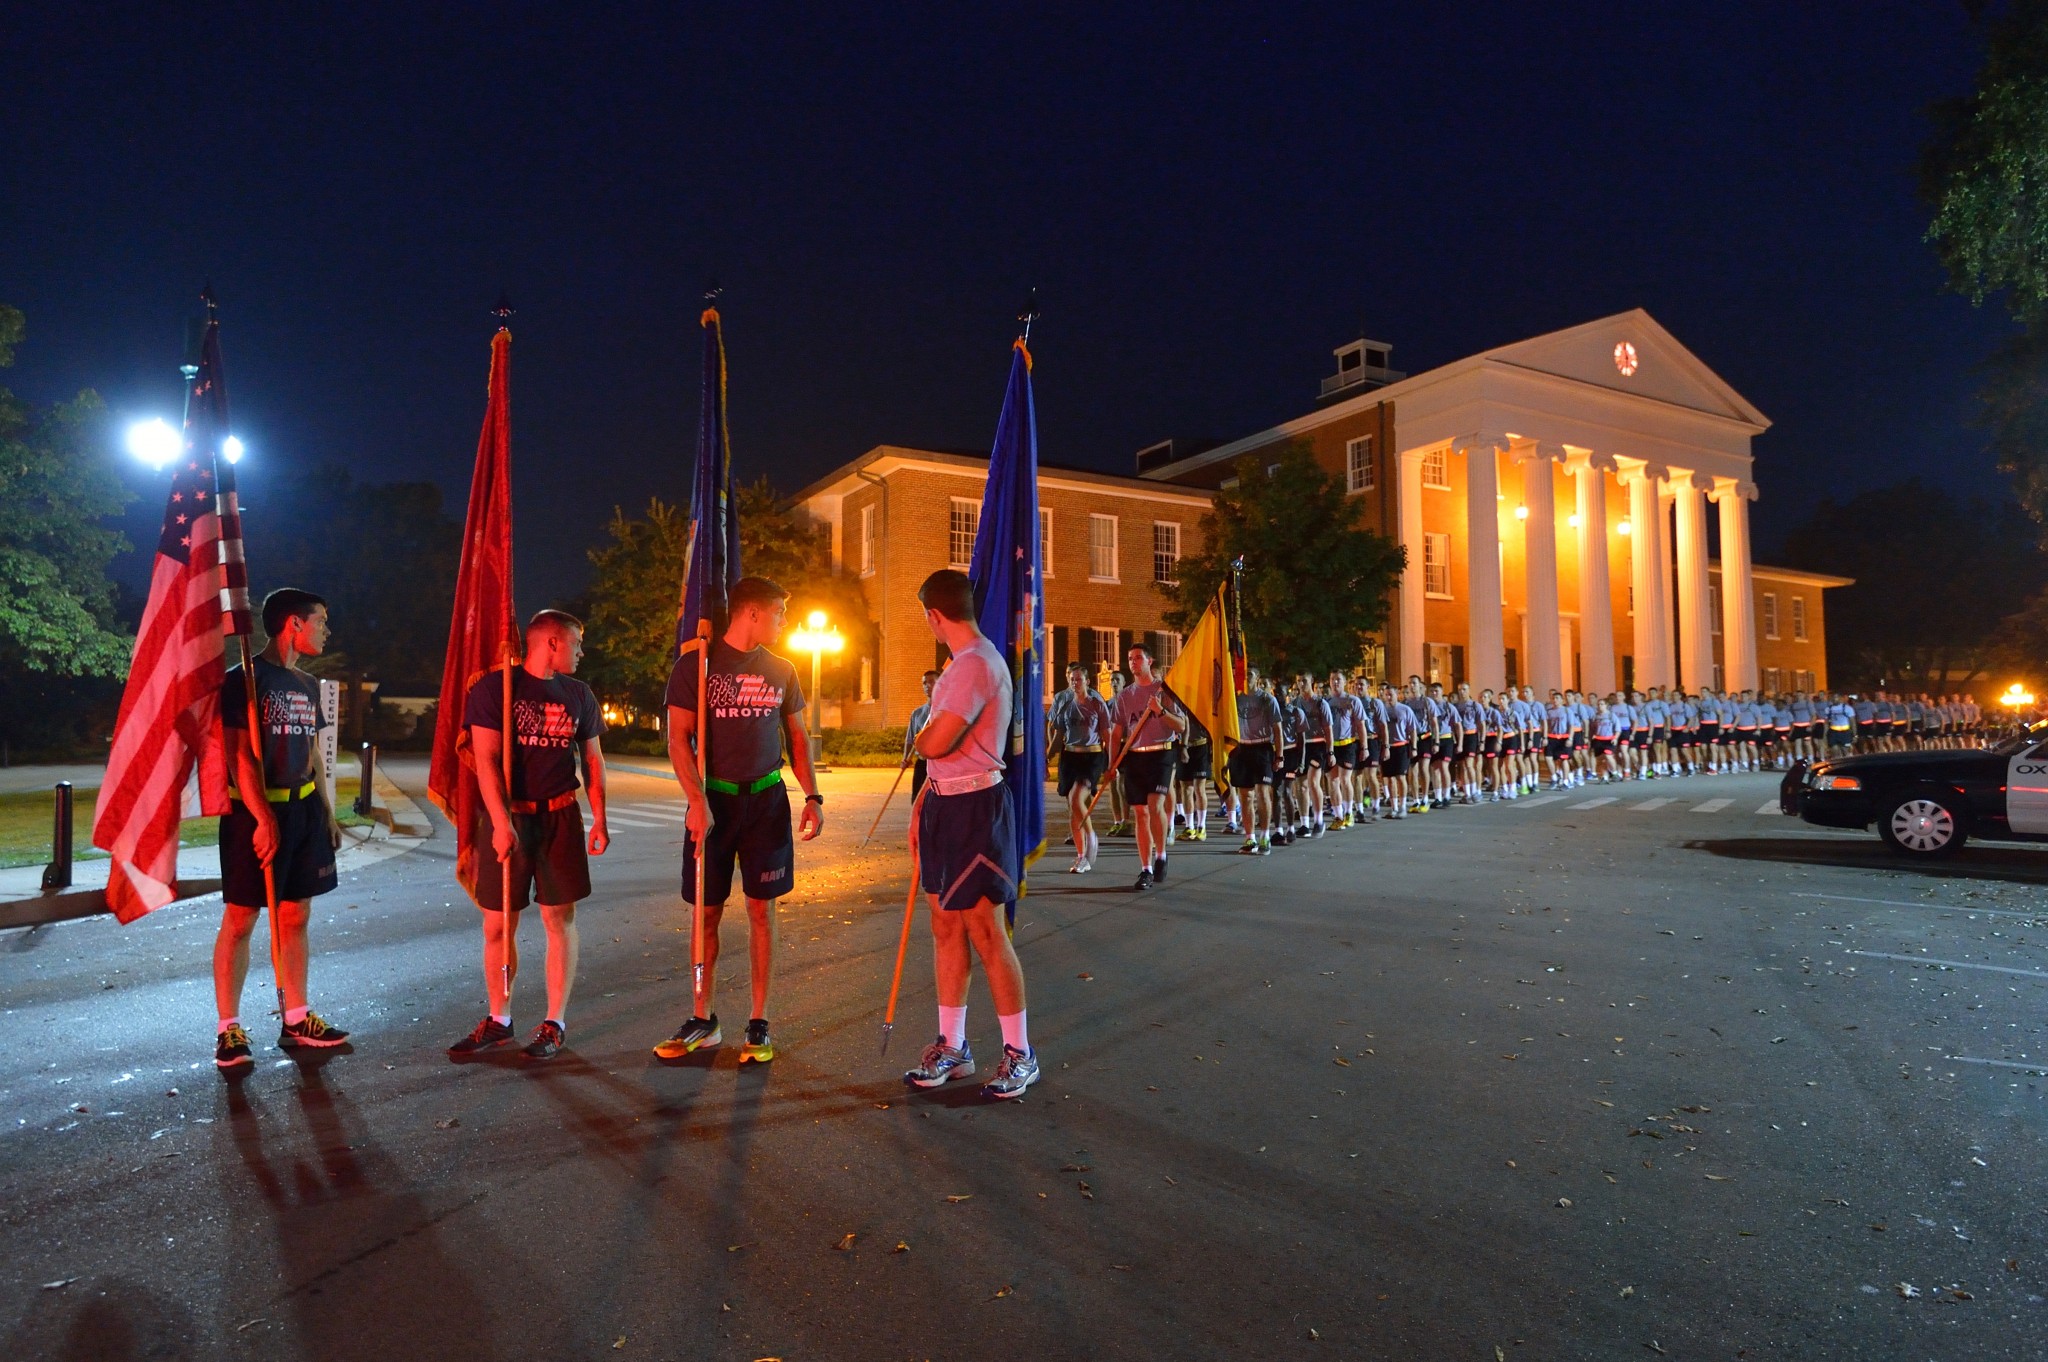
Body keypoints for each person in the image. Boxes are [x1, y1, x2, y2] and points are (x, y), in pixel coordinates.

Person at [652, 577, 823, 1065]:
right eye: (780, 612)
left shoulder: (782, 669)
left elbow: (797, 737)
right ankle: (703, 1018)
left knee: (760, 911)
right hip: (714, 804)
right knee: (706, 911)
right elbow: (678, 739)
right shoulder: (696, 666)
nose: (785, 622)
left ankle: (758, 1021)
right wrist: (695, 799)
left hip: (766, 802)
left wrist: (813, 795)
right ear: (752, 613)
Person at [449, 609, 611, 1060]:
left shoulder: (578, 693)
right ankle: (499, 1019)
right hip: (512, 818)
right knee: (498, 922)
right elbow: (485, 760)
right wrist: (500, 823)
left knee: (559, 920)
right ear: (552, 643)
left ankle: (554, 1022)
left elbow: (593, 760)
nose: (582, 651)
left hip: (560, 817)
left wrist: (600, 818)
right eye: (577, 643)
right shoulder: (495, 689)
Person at [901, 569, 1038, 1100]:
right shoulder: (960, 666)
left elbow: (935, 741)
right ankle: (954, 1046)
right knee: (944, 926)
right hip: (945, 804)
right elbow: (936, 758)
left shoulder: (976, 664)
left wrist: (921, 739)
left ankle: (1020, 1053)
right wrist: (920, 804)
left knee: (985, 930)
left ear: (935, 616)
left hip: (977, 808)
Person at [213, 588, 349, 1069]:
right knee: (242, 918)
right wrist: (263, 818)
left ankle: (296, 1017)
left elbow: (311, 751)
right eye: (322, 620)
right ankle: (229, 1029)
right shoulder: (244, 681)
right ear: (294, 623)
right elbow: (239, 755)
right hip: (254, 813)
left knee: (295, 915)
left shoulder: (308, 684)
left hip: (303, 811)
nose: (327, 630)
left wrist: (327, 813)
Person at [1112, 643, 1189, 888]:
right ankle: (1145, 869)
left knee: (1155, 804)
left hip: (1161, 753)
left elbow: (1181, 725)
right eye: (1130, 658)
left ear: (1149, 661)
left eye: (1138, 658)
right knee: (1139, 813)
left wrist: (1161, 710)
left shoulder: (1163, 690)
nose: (1133, 662)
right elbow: (1116, 733)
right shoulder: (1125, 696)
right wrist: (1111, 763)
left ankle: (1161, 855)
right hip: (1135, 755)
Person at [1048, 661, 1112, 873]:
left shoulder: (1096, 703)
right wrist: (1047, 757)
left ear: (1087, 681)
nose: (1075, 682)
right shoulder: (1065, 703)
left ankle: (1091, 836)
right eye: (1072, 679)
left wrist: (1111, 762)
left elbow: (1107, 735)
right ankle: (1081, 856)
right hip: (1070, 756)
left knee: (1077, 798)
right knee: (1073, 809)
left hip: (1091, 756)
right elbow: (1058, 733)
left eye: (1079, 679)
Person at [1230, 669, 1283, 853]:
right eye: (1243, 674)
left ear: (1258, 678)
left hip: (1262, 748)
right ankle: (1250, 838)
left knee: (1262, 792)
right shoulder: (1235, 699)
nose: (1245, 678)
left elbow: (1277, 729)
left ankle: (1265, 836)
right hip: (1242, 748)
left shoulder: (1267, 700)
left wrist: (1279, 755)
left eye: (1250, 674)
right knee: (1246, 796)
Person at [906, 669, 938, 799]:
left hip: (938, 764)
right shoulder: (917, 713)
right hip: (922, 763)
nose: (927, 686)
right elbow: (909, 739)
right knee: (917, 798)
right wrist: (906, 758)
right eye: (925, 683)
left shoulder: (945, 711)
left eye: (931, 682)